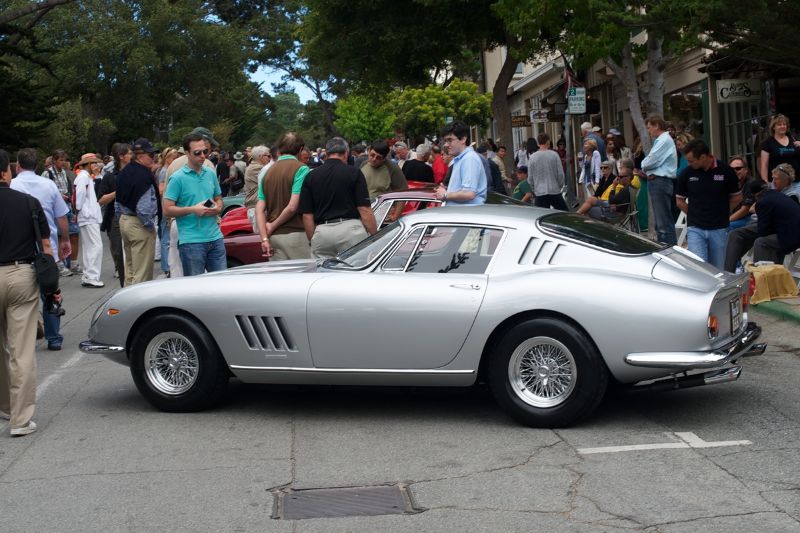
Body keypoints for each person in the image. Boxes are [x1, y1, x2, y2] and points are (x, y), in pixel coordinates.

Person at [0, 149, 53, 437]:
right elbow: (46, 247)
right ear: (6, 172)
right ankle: (20, 419)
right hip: (20, 273)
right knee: (21, 350)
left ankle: (5, 404)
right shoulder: (28, 203)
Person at [9, 148, 71, 351]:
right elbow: (61, 216)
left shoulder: (13, 185)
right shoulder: (49, 185)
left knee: (22, 297)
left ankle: (27, 334)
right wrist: (65, 239)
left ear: (17, 166)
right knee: (50, 292)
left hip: (18, 249)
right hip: (47, 248)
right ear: (36, 166)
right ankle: (54, 338)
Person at [299, 137, 377, 259]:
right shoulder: (354, 172)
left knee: (323, 274)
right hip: (350, 229)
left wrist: (313, 238)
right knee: (356, 272)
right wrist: (374, 237)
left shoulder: (311, 176)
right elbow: (364, 209)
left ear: (326, 153)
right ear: (346, 153)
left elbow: (307, 215)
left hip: (322, 231)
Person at [163, 133, 225, 275]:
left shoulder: (210, 173)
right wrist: (193, 209)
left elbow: (218, 198)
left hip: (215, 237)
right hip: (191, 241)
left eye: (205, 151)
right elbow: (167, 210)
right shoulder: (177, 178)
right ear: (187, 154)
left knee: (221, 287)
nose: (203, 156)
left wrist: (218, 207)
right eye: (197, 153)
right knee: (195, 291)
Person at [675, 139, 740, 269]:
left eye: (692, 161)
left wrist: (724, 212)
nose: (689, 163)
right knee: (699, 268)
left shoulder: (726, 171)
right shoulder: (687, 173)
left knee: (718, 269)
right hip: (695, 228)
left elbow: (737, 197)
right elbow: (679, 201)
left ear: (703, 157)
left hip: (719, 228)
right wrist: (694, 213)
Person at [724, 163, 800, 272]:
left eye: (776, 179)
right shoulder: (774, 194)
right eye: (772, 179)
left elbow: (763, 230)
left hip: (788, 234)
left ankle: (759, 277)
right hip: (778, 227)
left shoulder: (791, 195)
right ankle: (730, 270)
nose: (773, 181)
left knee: (760, 242)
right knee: (736, 234)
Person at [255, 132, 312, 261]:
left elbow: (259, 209)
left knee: (281, 279)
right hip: (296, 235)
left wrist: (264, 237)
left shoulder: (267, 172)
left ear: (280, 148)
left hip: (273, 238)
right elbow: (292, 206)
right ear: (301, 149)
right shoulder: (301, 169)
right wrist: (273, 226)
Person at [116, 138, 159, 286]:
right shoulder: (143, 175)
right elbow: (143, 207)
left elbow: (118, 201)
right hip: (139, 223)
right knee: (142, 276)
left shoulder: (124, 171)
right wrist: (149, 225)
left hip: (125, 220)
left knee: (130, 270)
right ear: (140, 156)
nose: (153, 158)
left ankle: (126, 303)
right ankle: (137, 307)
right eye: (151, 155)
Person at [641, 114, 678, 245]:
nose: (649, 131)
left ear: (657, 125)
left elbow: (650, 161)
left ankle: (669, 249)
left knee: (663, 222)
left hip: (660, 181)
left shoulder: (663, 140)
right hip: (658, 181)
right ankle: (667, 248)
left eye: (649, 127)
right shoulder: (663, 140)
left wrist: (644, 166)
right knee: (661, 220)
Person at [435, 120, 487, 205]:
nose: (446, 145)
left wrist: (445, 194)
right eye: (445, 141)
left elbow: (469, 194)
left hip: (465, 216)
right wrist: (448, 190)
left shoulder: (469, 158)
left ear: (463, 139)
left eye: (450, 140)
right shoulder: (462, 158)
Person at [73, 153, 104, 287]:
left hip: (87, 215)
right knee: (96, 246)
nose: (96, 165)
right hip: (88, 216)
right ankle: (92, 276)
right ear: (88, 164)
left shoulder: (85, 177)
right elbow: (80, 196)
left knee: (89, 247)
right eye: (94, 163)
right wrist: (80, 210)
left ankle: (88, 275)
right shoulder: (83, 177)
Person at [527, 133, 567, 210]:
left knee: (542, 216)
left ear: (538, 143)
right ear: (548, 142)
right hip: (554, 190)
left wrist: (534, 189)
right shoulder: (554, 155)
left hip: (539, 192)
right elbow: (560, 174)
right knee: (564, 214)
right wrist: (559, 186)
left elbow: (530, 178)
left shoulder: (532, 157)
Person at [759, 114, 800, 182]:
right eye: (779, 125)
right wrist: (765, 182)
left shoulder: (794, 139)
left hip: (796, 182)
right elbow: (764, 165)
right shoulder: (767, 143)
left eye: (784, 124)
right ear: (773, 127)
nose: (782, 126)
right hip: (777, 183)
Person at [728, 156, 759, 230]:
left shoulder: (751, 184)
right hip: (735, 217)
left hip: (750, 218)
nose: (734, 171)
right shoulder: (729, 183)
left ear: (746, 170)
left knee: (726, 227)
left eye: (738, 168)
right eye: (731, 169)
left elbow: (744, 210)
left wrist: (725, 221)